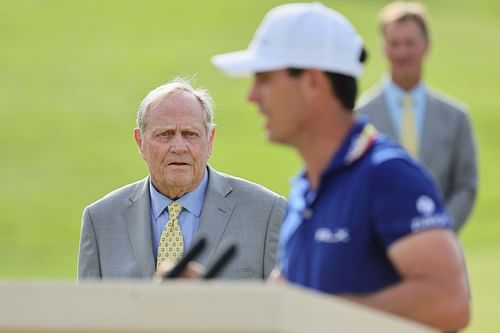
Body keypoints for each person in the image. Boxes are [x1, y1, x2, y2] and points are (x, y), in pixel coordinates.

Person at [211, 2, 469, 331]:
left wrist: (321, 312)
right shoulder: (306, 187)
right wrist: (208, 297)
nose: (252, 95)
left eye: (264, 78)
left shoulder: (387, 175)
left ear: (313, 83)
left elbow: (449, 303)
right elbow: (284, 301)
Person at [78, 77, 286, 280]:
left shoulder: (267, 212)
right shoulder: (100, 220)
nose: (179, 147)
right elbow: (86, 311)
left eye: (190, 134)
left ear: (210, 139)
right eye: (165, 134)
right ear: (140, 141)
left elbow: (284, 309)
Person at [355, 1, 478, 232]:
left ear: (427, 46)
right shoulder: (359, 117)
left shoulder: (456, 117)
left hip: (440, 251)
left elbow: (466, 186)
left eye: (410, 43)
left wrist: (439, 229)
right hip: (375, 253)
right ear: (383, 47)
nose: (402, 52)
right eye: (394, 43)